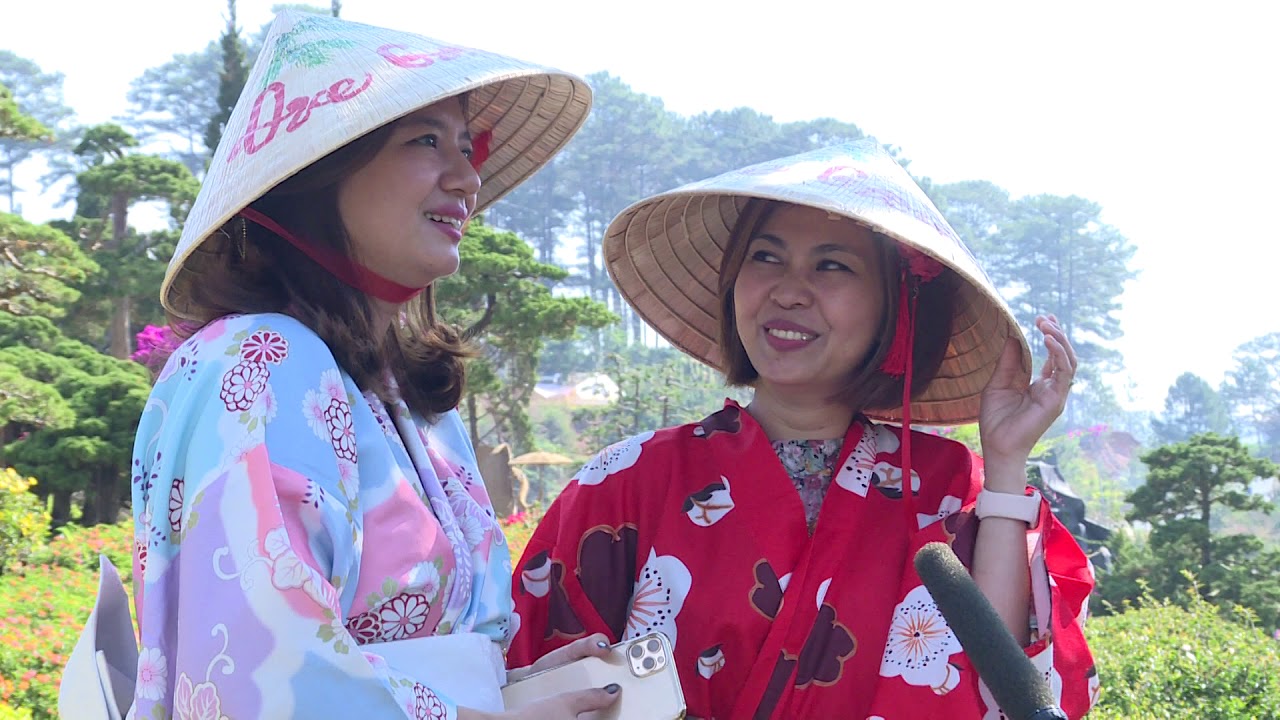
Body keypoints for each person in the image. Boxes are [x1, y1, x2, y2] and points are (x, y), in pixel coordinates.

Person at [65, 10, 623, 720]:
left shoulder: (413, 398)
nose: (467, 178)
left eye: (467, 144)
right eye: (426, 140)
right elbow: (264, 679)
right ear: (318, 175)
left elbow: (419, 659)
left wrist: (520, 689)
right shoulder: (260, 361)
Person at [507, 142, 1100, 718]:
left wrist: (1005, 458)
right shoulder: (631, 479)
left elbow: (1000, 685)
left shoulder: (948, 488)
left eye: (832, 266)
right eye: (765, 258)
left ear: (894, 309)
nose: (789, 291)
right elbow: (539, 676)